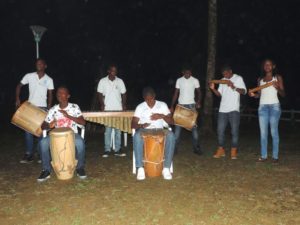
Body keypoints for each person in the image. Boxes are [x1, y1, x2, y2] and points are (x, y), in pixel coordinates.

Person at [37, 86, 87, 182]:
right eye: (58, 93)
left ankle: (80, 167)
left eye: (62, 93)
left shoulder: (74, 107)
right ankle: (46, 170)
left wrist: (68, 116)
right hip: (56, 137)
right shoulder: (53, 109)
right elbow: (43, 126)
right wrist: (49, 125)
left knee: (80, 142)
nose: (59, 94)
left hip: (72, 134)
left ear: (68, 96)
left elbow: (83, 122)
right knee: (43, 142)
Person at [132, 87, 175, 180]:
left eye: (151, 99)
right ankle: (140, 168)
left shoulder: (162, 105)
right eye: (147, 100)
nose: (149, 101)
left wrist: (161, 116)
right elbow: (133, 124)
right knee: (136, 136)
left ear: (154, 96)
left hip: (160, 129)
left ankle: (166, 168)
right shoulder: (140, 107)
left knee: (171, 135)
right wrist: (141, 125)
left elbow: (172, 121)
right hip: (145, 130)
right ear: (144, 98)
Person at [15, 58, 54, 163]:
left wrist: (49, 108)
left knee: (40, 132)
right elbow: (19, 86)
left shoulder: (49, 79)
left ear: (45, 66)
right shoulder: (29, 76)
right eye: (37, 63)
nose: (38, 65)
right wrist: (17, 98)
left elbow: (50, 95)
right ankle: (29, 154)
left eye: (41, 63)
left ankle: (41, 154)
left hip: (42, 107)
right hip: (30, 107)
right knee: (28, 131)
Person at [249, 59, 285, 163]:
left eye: (269, 64)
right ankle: (264, 156)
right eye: (265, 64)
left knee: (274, 132)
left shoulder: (277, 77)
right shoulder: (260, 79)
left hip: (274, 107)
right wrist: (253, 95)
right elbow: (259, 95)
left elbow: (283, 94)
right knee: (263, 133)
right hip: (262, 107)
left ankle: (275, 157)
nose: (267, 66)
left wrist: (277, 87)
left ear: (273, 66)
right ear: (263, 67)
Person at [210, 65, 246, 159]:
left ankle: (233, 151)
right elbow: (219, 94)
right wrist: (213, 89)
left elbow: (243, 91)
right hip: (222, 110)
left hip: (234, 109)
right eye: (223, 74)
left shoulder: (238, 78)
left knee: (234, 131)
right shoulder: (222, 80)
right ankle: (221, 150)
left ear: (230, 71)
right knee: (220, 130)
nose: (225, 76)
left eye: (226, 73)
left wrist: (233, 86)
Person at [170, 66, 202, 155]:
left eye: (189, 72)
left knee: (194, 128)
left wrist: (198, 102)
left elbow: (199, 92)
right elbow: (176, 93)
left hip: (191, 106)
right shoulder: (179, 80)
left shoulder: (195, 80)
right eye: (186, 72)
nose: (188, 74)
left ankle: (196, 148)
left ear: (191, 72)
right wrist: (172, 106)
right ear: (183, 72)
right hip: (180, 106)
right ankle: (175, 149)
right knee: (177, 129)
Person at [97, 64, 127, 157]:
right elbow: (99, 93)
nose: (114, 72)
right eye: (112, 70)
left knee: (118, 130)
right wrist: (102, 104)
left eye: (115, 71)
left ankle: (117, 150)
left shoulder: (120, 81)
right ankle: (107, 150)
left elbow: (124, 93)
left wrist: (124, 105)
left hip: (118, 109)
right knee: (108, 130)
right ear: (108, 71)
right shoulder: (102, 81)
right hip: (107, 109)